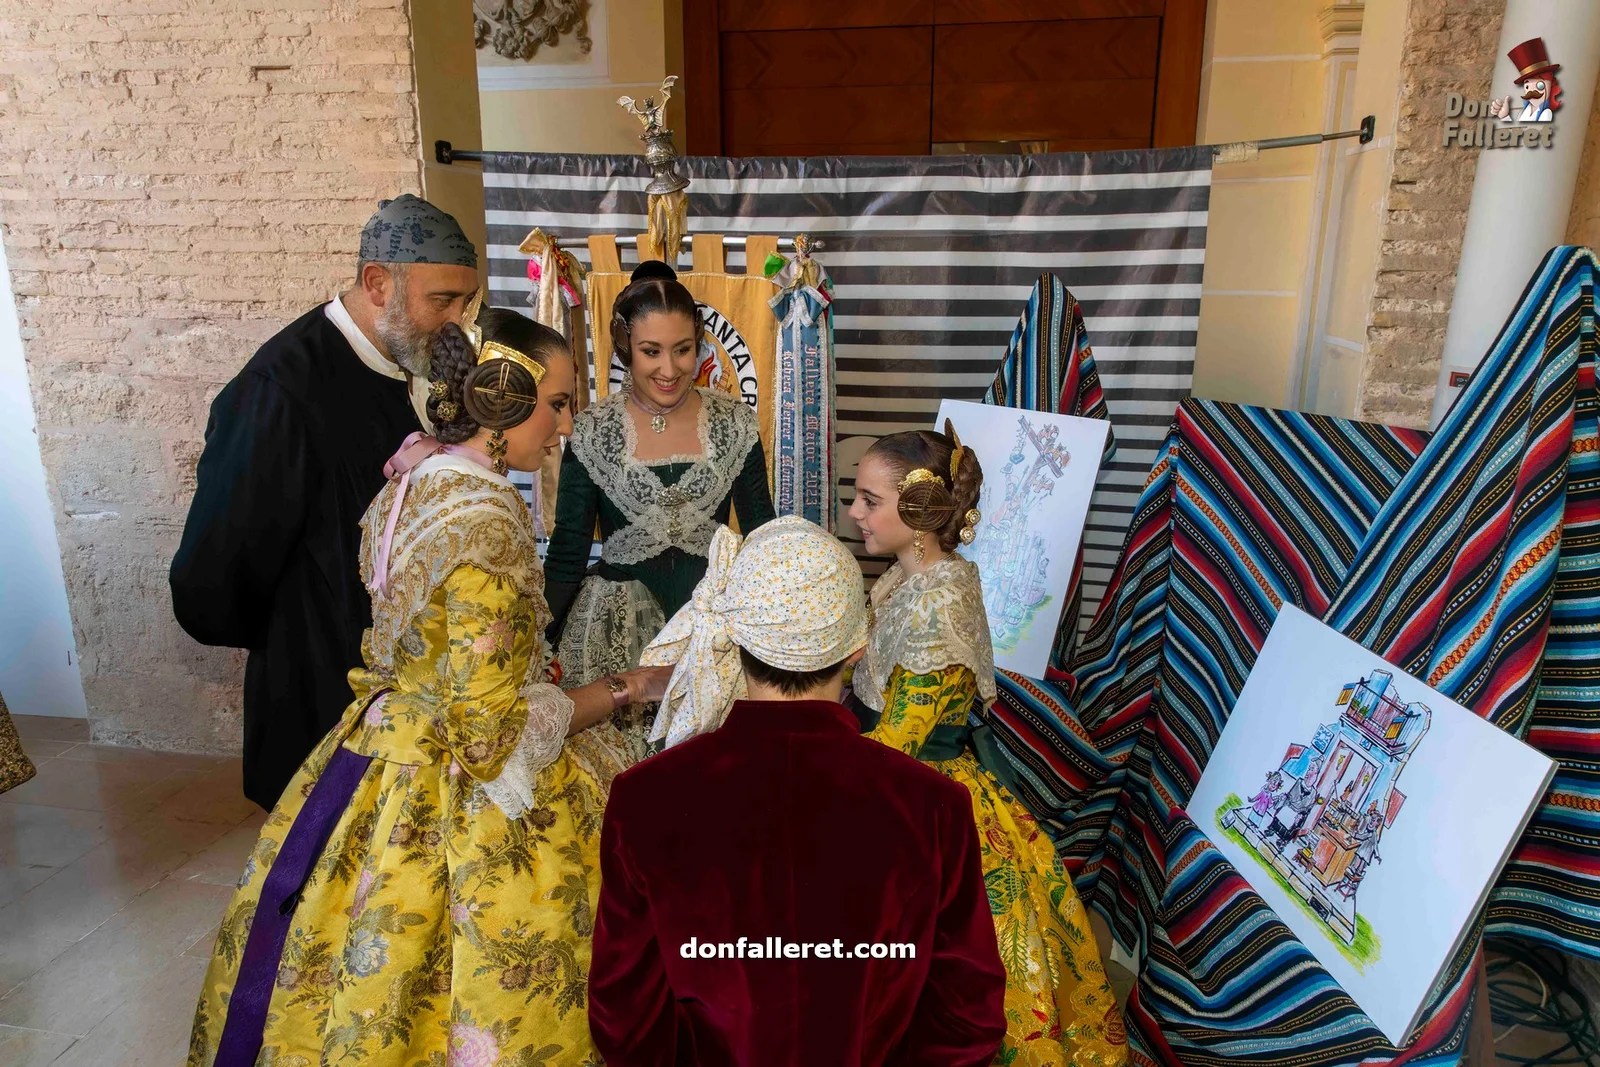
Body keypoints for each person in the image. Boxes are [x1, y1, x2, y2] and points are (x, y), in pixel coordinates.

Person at [186, 306, 671, 1067]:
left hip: (379, 745)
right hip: (457, 783)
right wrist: (625, 687)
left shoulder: (413, 481)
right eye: (555, 403)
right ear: (504, 401)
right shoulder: (488, 518)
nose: (565, 426)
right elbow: (488, 734)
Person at [590, 517, 1007, 1066]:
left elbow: (625, 1018)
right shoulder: (934, 806)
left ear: (735, 636)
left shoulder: (643, 799)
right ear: (858, 648)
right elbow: (967, 1017)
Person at [170, 194, 481, 809]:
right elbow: (214, 577)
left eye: (464, 303)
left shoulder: (408, 357)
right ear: (377, 283)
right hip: (320, 690)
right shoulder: (278, 391)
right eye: (441, 301)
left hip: (404, 697)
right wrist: (303, 626)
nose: (456, 323)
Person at [845, 424, 1128, 1067]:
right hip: (905, 777)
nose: (855, 512)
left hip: (915, 797)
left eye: (869, 500)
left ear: (920, 511)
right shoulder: (917, 580)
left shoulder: (936, 608)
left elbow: (898, 745)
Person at [543, 260, 774, 756]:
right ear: (625, 345)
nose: (669, 370)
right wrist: (539, 645)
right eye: (651, 351)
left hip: (710, 630)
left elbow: (763, 538)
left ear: (699, 345)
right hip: (615, 633)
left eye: (683, 350)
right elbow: (566, 554)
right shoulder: (593, 430)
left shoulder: (735, 423)